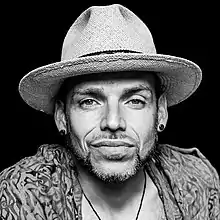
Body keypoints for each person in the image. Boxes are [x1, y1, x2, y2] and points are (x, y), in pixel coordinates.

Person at [0, 4, 219, 220]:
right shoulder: (22, 194)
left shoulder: (198, 180)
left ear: (161, 112)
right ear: (61, 116)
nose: (113, 122)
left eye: (135, 100)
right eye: (89, 101)